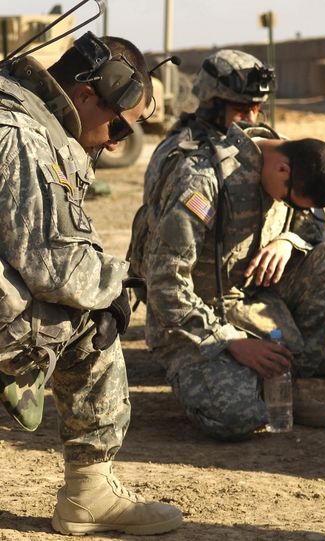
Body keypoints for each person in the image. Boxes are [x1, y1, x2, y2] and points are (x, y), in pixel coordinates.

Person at [0, 31, 182, 535]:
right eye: (120, 124)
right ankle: (89, 493)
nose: (122, 140)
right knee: (90, 316)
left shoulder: (33, 118)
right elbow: (51, 261)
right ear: (83, 96)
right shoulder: (20, 133)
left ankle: (89, 492)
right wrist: (117, 289)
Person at [144, 121, 325, 441]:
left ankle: (285, 384)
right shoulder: (205, 179)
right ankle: (246, 381)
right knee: (238, 416)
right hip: (193, 317)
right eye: (288, 202)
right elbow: (165, 283)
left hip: (252, 301)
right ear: (283, 170)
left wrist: (288, 241)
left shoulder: (299, 166)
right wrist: (229, 342)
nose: (287, 208)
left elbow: (312, 228)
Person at [129, 48, 325, 291]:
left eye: (256, 109)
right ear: (213, 105)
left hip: (252, 289)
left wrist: (288, 242)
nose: (252, 120)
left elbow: (311, 220)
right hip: (199, 296)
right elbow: (170, 264)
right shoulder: (187, 161)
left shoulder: (270, 149)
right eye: (242, 110)